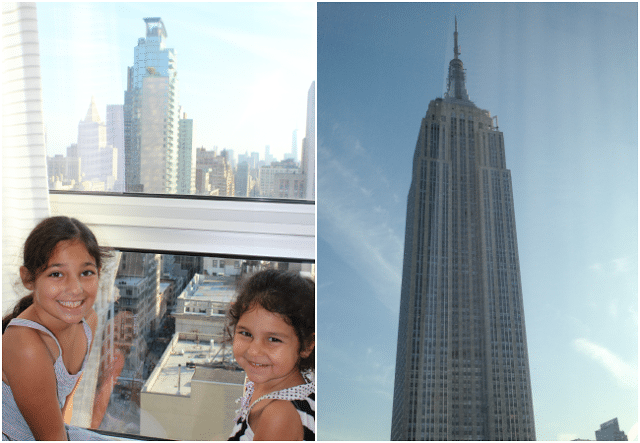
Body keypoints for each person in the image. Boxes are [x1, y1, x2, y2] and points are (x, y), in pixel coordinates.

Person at [2, 216, 112, 441]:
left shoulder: (88, 322)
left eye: (86, 272)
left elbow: (59, 411)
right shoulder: (26, 345)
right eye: (56, 274)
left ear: (99, 272)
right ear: (29, 279)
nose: (75, 288)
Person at [227, 269, 315, 441]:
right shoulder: (270, 384)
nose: (254, 351)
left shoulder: (279, 415)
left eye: (273, 339)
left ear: (306, 345)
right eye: (246, 334)